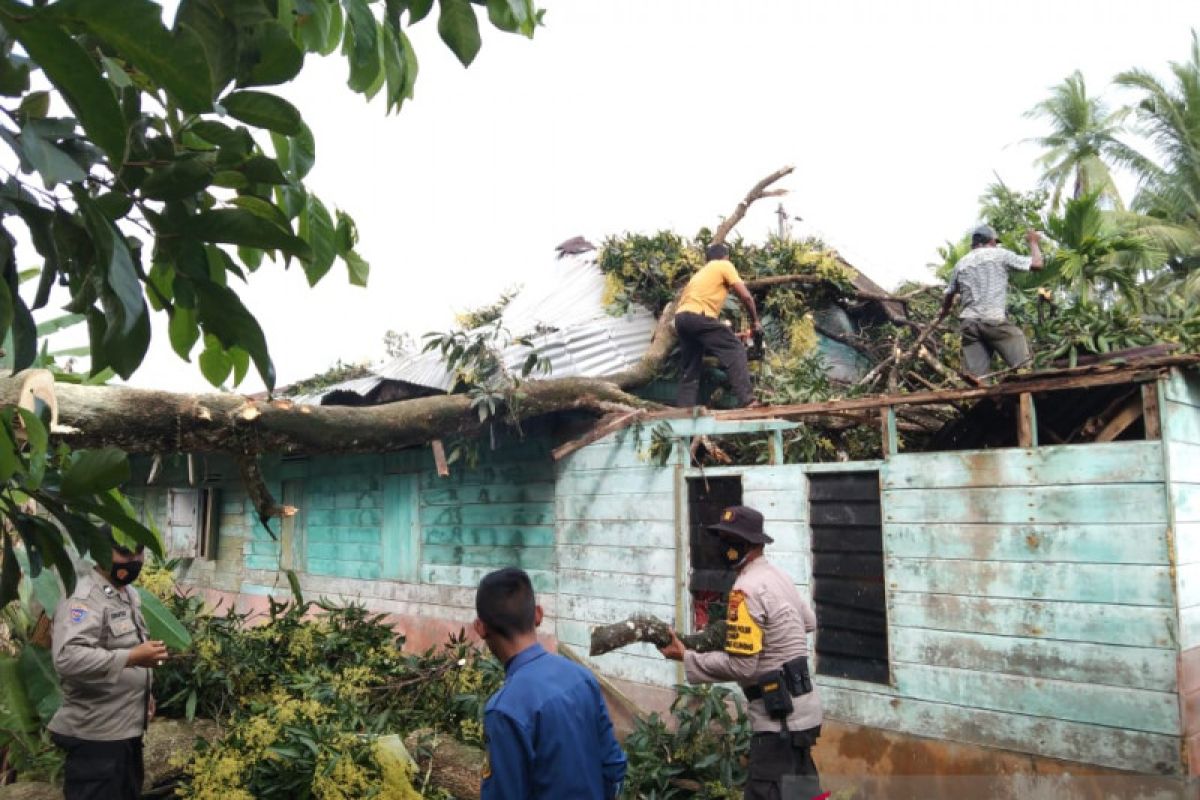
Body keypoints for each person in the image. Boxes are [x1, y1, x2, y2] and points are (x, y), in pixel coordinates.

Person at [658, 506, 826, 800]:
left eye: (729, 539)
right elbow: (808, 622)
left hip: (779, 724)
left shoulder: (745, 589)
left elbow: (743, 667)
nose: (722, 546)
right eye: (721, 538)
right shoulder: (778, 576)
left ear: (748, 544)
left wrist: (686, 657)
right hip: (805, 712)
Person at [474, 567, 626, 800]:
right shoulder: (582, 678)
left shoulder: (504, 710)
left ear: (481, 628)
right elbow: (614, 768)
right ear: (538, 615)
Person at [48, 526, 167, 800]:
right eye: (124, 553)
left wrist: (145, 694)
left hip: (126, 731)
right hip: (97, 737)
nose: (134, 561)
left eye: (139, 553)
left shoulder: (127, 594)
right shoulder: (84, 598)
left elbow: (122, 645)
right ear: (101, 552)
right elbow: (67, 657)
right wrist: (132, 657)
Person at [940, 225, 1044, 377]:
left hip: (969, 325)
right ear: (991, 241)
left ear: (973, 244)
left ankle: (980, 395)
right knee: (1022, 362)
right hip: (992, 320)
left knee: (976, 380)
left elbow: (949, 294)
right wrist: (1033, 242)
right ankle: (1027, 387)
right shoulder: (999, 255)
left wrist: (944, 312)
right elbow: (1037, 264)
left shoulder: (961, 264)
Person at [675, 242, 763, 408]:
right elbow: (746, 297)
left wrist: (732, 334)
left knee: (690, 368)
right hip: (698, 315)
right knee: (735, 349)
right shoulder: (723, 265)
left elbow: (703, 330)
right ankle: (748, 400)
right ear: (725, 256)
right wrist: (756, 321)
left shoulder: (700, 275)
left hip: (681, 318)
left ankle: (684, 410)